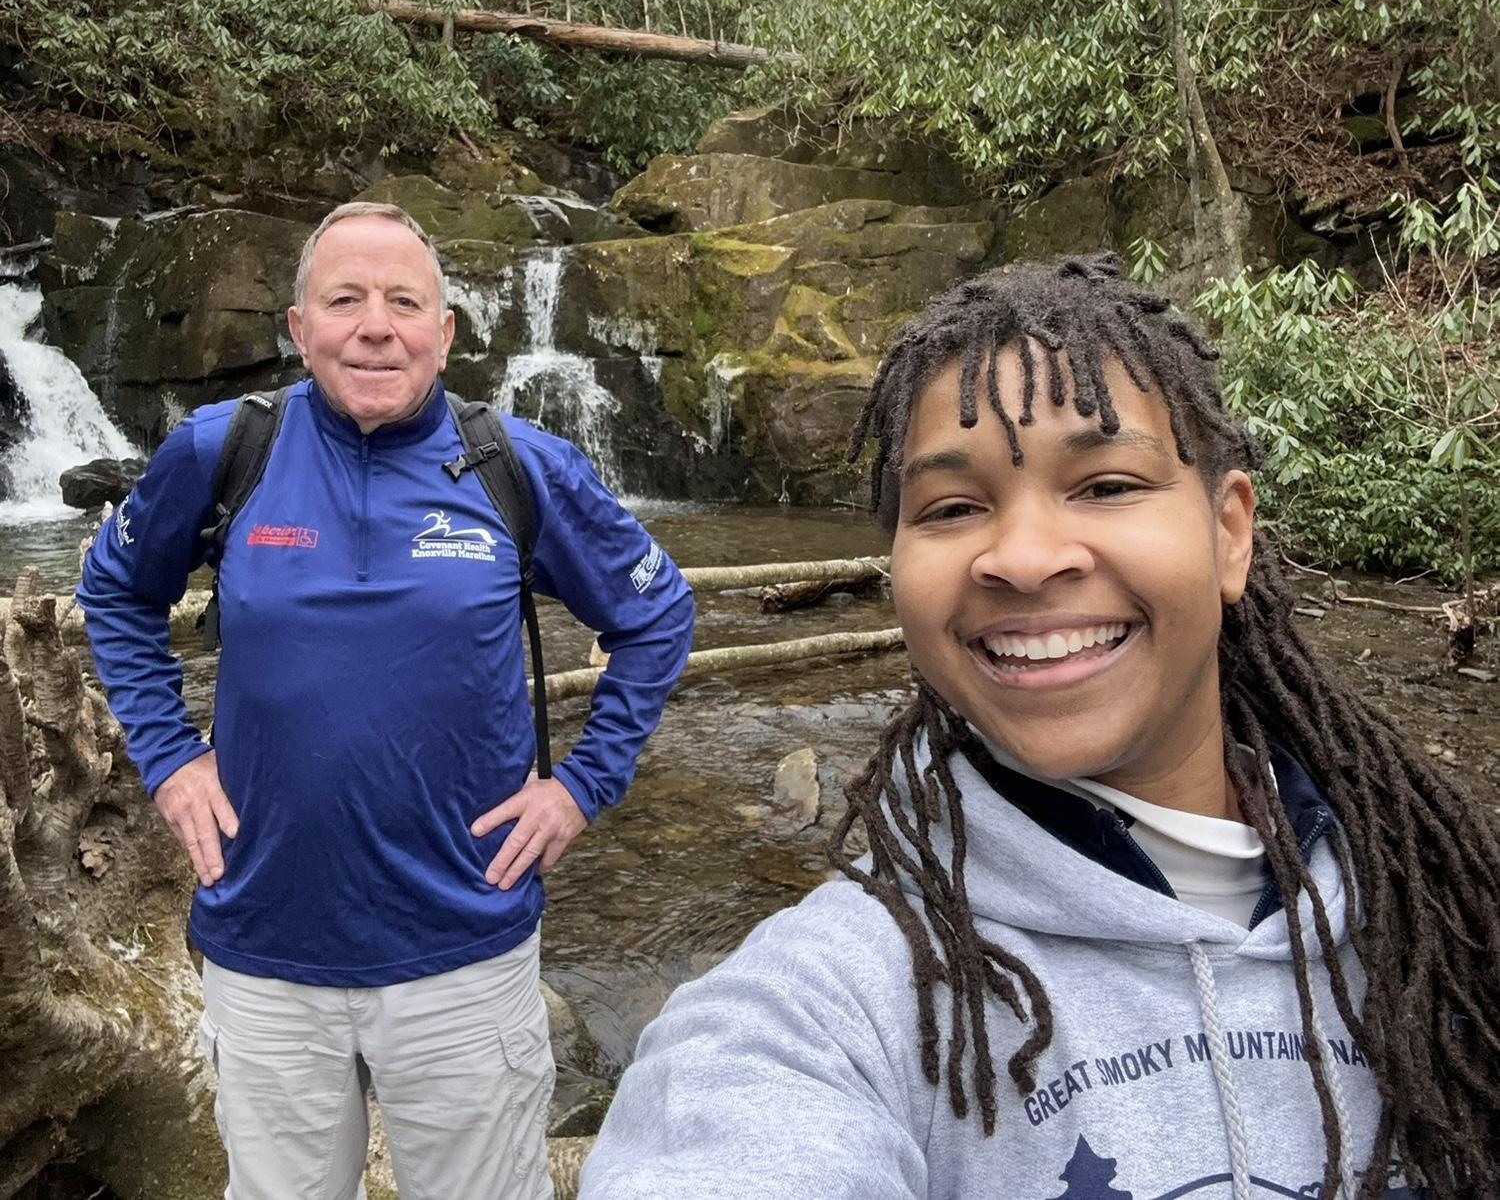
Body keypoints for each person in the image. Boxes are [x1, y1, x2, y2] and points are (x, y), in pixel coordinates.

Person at [578, 255, 1499, 1200]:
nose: (1021, 559)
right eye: (952, 508)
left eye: (1105, 486)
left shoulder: (1449, 912)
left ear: (1230, 533)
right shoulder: (821, 1008)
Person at [78, 200, 695, 1200]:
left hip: (464, 952)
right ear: (299, 328)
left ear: (444, 333)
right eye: (346, 300)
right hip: (265, 950)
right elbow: (113, 589)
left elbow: (657, 612)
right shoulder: (221, 452)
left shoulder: (518, 468)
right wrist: (169, 757)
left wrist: (583, 786)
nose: (376, 326)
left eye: (404, 302)